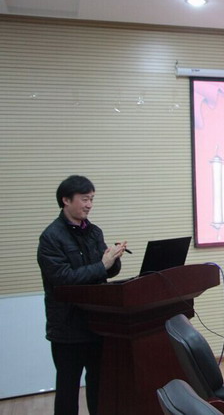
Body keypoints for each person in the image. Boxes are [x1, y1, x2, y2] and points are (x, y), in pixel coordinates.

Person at [37, 175, 127, 415]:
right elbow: (63, 279)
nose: (89, 205)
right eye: (84, 199)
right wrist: (102, 265)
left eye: (92, 199)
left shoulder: (94, 231)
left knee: (99, 384)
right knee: (68, 389)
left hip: (97, 322)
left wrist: (113, 259)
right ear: (66, 200)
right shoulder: (51, 237)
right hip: (68, 327)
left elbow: (104, 272)